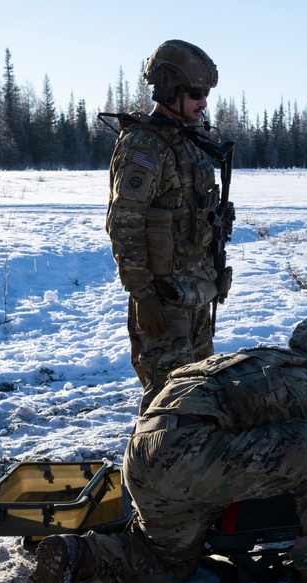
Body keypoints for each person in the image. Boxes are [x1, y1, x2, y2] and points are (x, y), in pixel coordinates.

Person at [25, 312, 307, 583]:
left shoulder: (258, 359)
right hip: (195, 458)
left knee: (167, 562)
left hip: (144, 454)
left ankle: (80, 555)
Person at [105, 39, 233, 415]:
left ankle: (187, 473)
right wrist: (143, 295)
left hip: (196, 297)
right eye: (195, 93)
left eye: (205, 94)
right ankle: (145, 473)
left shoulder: (188, 144)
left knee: (199, 399)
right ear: (169, 90)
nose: (203, 102)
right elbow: (124, 225)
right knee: (166, 407)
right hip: (164, 302)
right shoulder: (144, 147)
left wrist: (213, 277)